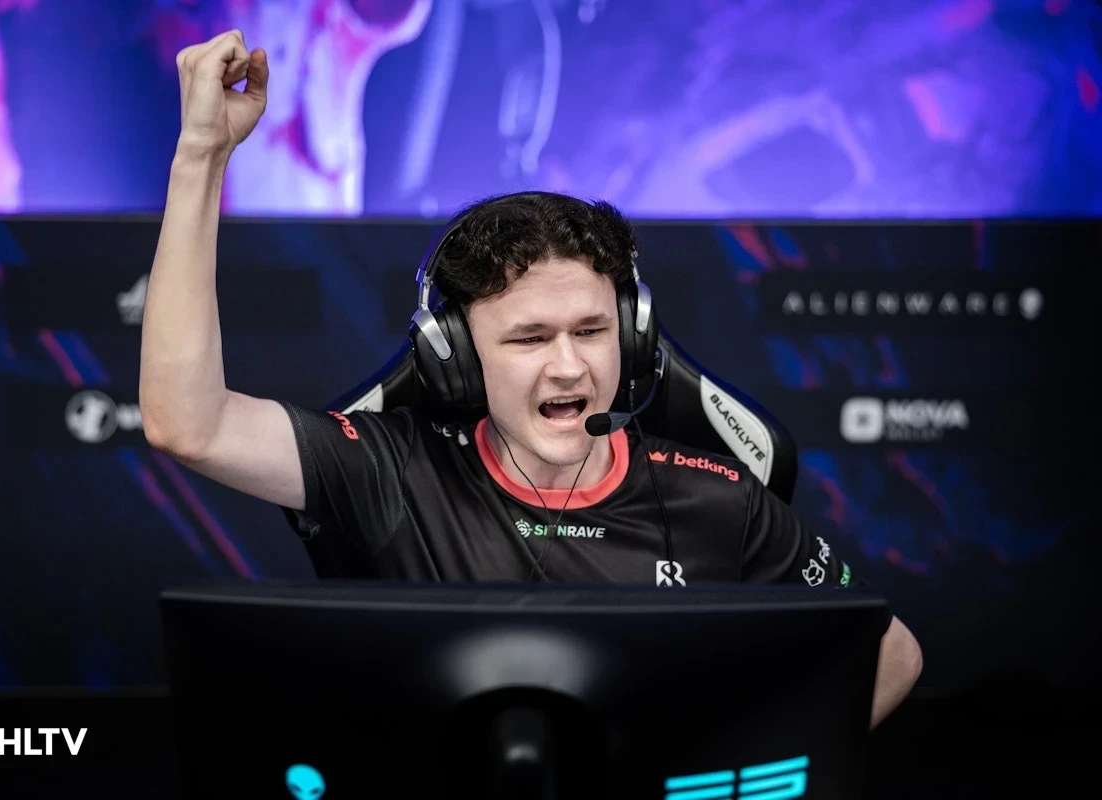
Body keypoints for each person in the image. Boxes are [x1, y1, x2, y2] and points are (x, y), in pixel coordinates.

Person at [139, 30, 923, 729]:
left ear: (634, 337)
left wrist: (730, 777)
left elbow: (891, 655)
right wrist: (200, 156)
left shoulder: (721, 499)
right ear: (455, 356)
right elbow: (189, 424)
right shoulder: (384, 470)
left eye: (592, 331)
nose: (570, 365)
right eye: (529, 338)